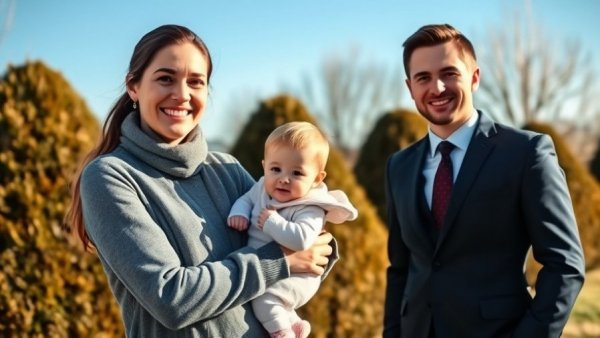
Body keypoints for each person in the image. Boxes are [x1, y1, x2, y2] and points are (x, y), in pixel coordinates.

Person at [64, 24, 337, 338]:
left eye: (195, 82)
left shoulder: (228, 169)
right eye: (165, 78)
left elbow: (312, 250)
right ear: (134, 87)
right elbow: (172, 298)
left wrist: (309, 241)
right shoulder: (109, 178)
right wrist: (277, 260)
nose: (181, 95)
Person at [383, 24, 585, 338]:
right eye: (423, 77)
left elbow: (565, 265)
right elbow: (400, 269)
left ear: (475, 77)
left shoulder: (526, 153)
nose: (436, 88)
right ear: (410, 89)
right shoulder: (399, 166)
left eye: (449, 73)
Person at [227, 121, 358, 338]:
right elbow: (245, 200)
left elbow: (302, 240)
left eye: (296, 173)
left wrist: (272, 222)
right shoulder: (260, 187)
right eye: (275, 169)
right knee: (273, 299)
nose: (284, 178)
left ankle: (282, 334)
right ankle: (295, 326)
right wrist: (238, 214)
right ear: (264, 166)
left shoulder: (310, 207)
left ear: (317, 178)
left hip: (300, 275)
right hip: (276, 268)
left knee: (264, 299)